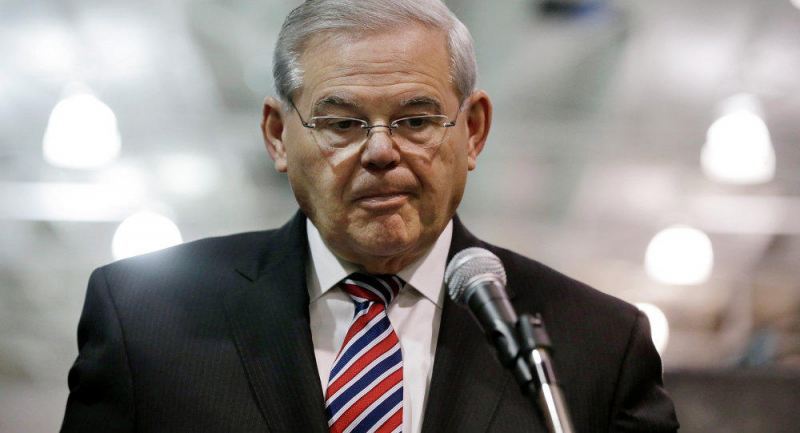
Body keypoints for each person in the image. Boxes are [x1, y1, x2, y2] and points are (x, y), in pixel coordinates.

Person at [61, 0, 679, 432]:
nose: (381, 151)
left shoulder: (596, 345)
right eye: (341, 123)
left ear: (473, 130)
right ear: (277, 135)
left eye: (416, 119)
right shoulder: (146, 323)